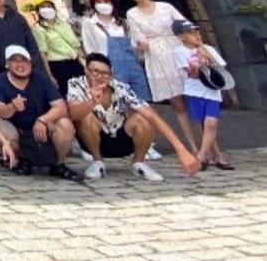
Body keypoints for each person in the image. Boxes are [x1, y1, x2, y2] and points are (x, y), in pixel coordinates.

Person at [66, 52, 200, 183]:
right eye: (95, 72)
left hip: (121, 138)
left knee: (144, 118)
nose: (100, 77)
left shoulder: (120, 88)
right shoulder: (76, 84)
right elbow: (73, 114)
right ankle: (97, 161)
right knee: (85, 116)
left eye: (105, 73)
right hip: (92, 140)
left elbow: (152, 116)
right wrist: (92, 101)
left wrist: (181, 150)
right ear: (86, 70)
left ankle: (139, 163)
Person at [0, 45, 84, 181]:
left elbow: (60, 107)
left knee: (65, 124)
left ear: (30, 63)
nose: (20, 64)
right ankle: (21, 159)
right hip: (14, 125)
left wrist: (42, 120)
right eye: (15, 61)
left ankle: (59, 164)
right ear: (7, 64)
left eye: (24, 60)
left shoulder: (40, 78)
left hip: (41, 125)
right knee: (1, 130)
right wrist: (12, 107)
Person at [124, 0, 197, 150]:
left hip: (177, 49)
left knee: (194, 97)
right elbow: (137, 37)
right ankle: (192, 145)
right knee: (177, 103)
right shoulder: (132, 14)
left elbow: (186, 26)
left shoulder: (166, 7)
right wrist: (142, 44)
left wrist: (195, 46)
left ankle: (209, 144)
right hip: (156, 55)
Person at [172, 20, 233, 170]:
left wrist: (203, 50)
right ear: (181, 36)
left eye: (196, 32)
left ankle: (201, 155)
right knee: (201, 124)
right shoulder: (179, 51)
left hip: (211, 90)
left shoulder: (208, 48)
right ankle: (216, 156)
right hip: (194, 91)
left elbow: (220, 68)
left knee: (211, 122)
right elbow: (191, 74)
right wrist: (195, 66)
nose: (195, 35)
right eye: (190, 33)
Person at [80, 0, 151, 102]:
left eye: (106, 1)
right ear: (94, 5)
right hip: (109, 68)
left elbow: (133, 44)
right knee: (120, 101)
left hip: (132, 65)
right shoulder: (89, 24)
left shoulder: (122, 22)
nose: (103, 5)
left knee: (143, 100)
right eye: (99, 2)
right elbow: (90, 50)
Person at [31, 0, 84, 87]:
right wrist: (50, 75)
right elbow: (43, 54)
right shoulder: (38, 29)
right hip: (59, 66)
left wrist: (82, 58)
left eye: (49, 6)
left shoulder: (62, 24)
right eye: (43, 7)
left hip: (75, 62)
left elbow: (75, 44)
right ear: (38, 11)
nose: (47, 9)